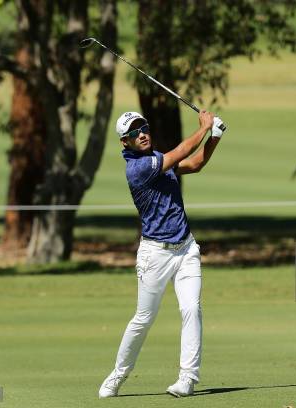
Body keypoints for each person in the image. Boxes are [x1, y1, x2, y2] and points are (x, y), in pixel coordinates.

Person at [98, 110, 225, 398]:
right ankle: (117, 376)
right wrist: (204, 126)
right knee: (144, 318)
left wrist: (214, 136)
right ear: (124, 143)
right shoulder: (139, 168)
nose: (141, 134)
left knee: (191, 309)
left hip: (185, 248)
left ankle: (187, 379)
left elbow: (194, 164)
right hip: (155, 254)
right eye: (133, 133)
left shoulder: (156, 158)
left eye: (143, 127)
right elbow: (182, 150)